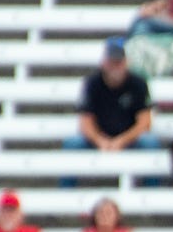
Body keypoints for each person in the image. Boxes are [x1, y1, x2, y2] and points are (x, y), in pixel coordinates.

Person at [62, 37, 161, 184]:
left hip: (130, 139)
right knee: (73, 144)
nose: (115, 67)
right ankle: (66, 196)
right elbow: (85, 122)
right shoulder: (92, 83)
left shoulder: (138, 84)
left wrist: (121, 141)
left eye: (119, 62)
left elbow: (145, 123)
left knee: (150, 143)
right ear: (104, 62)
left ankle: (152, 195)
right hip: (100, 138)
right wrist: (101, 141)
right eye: (112, 62)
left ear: (126, 62)